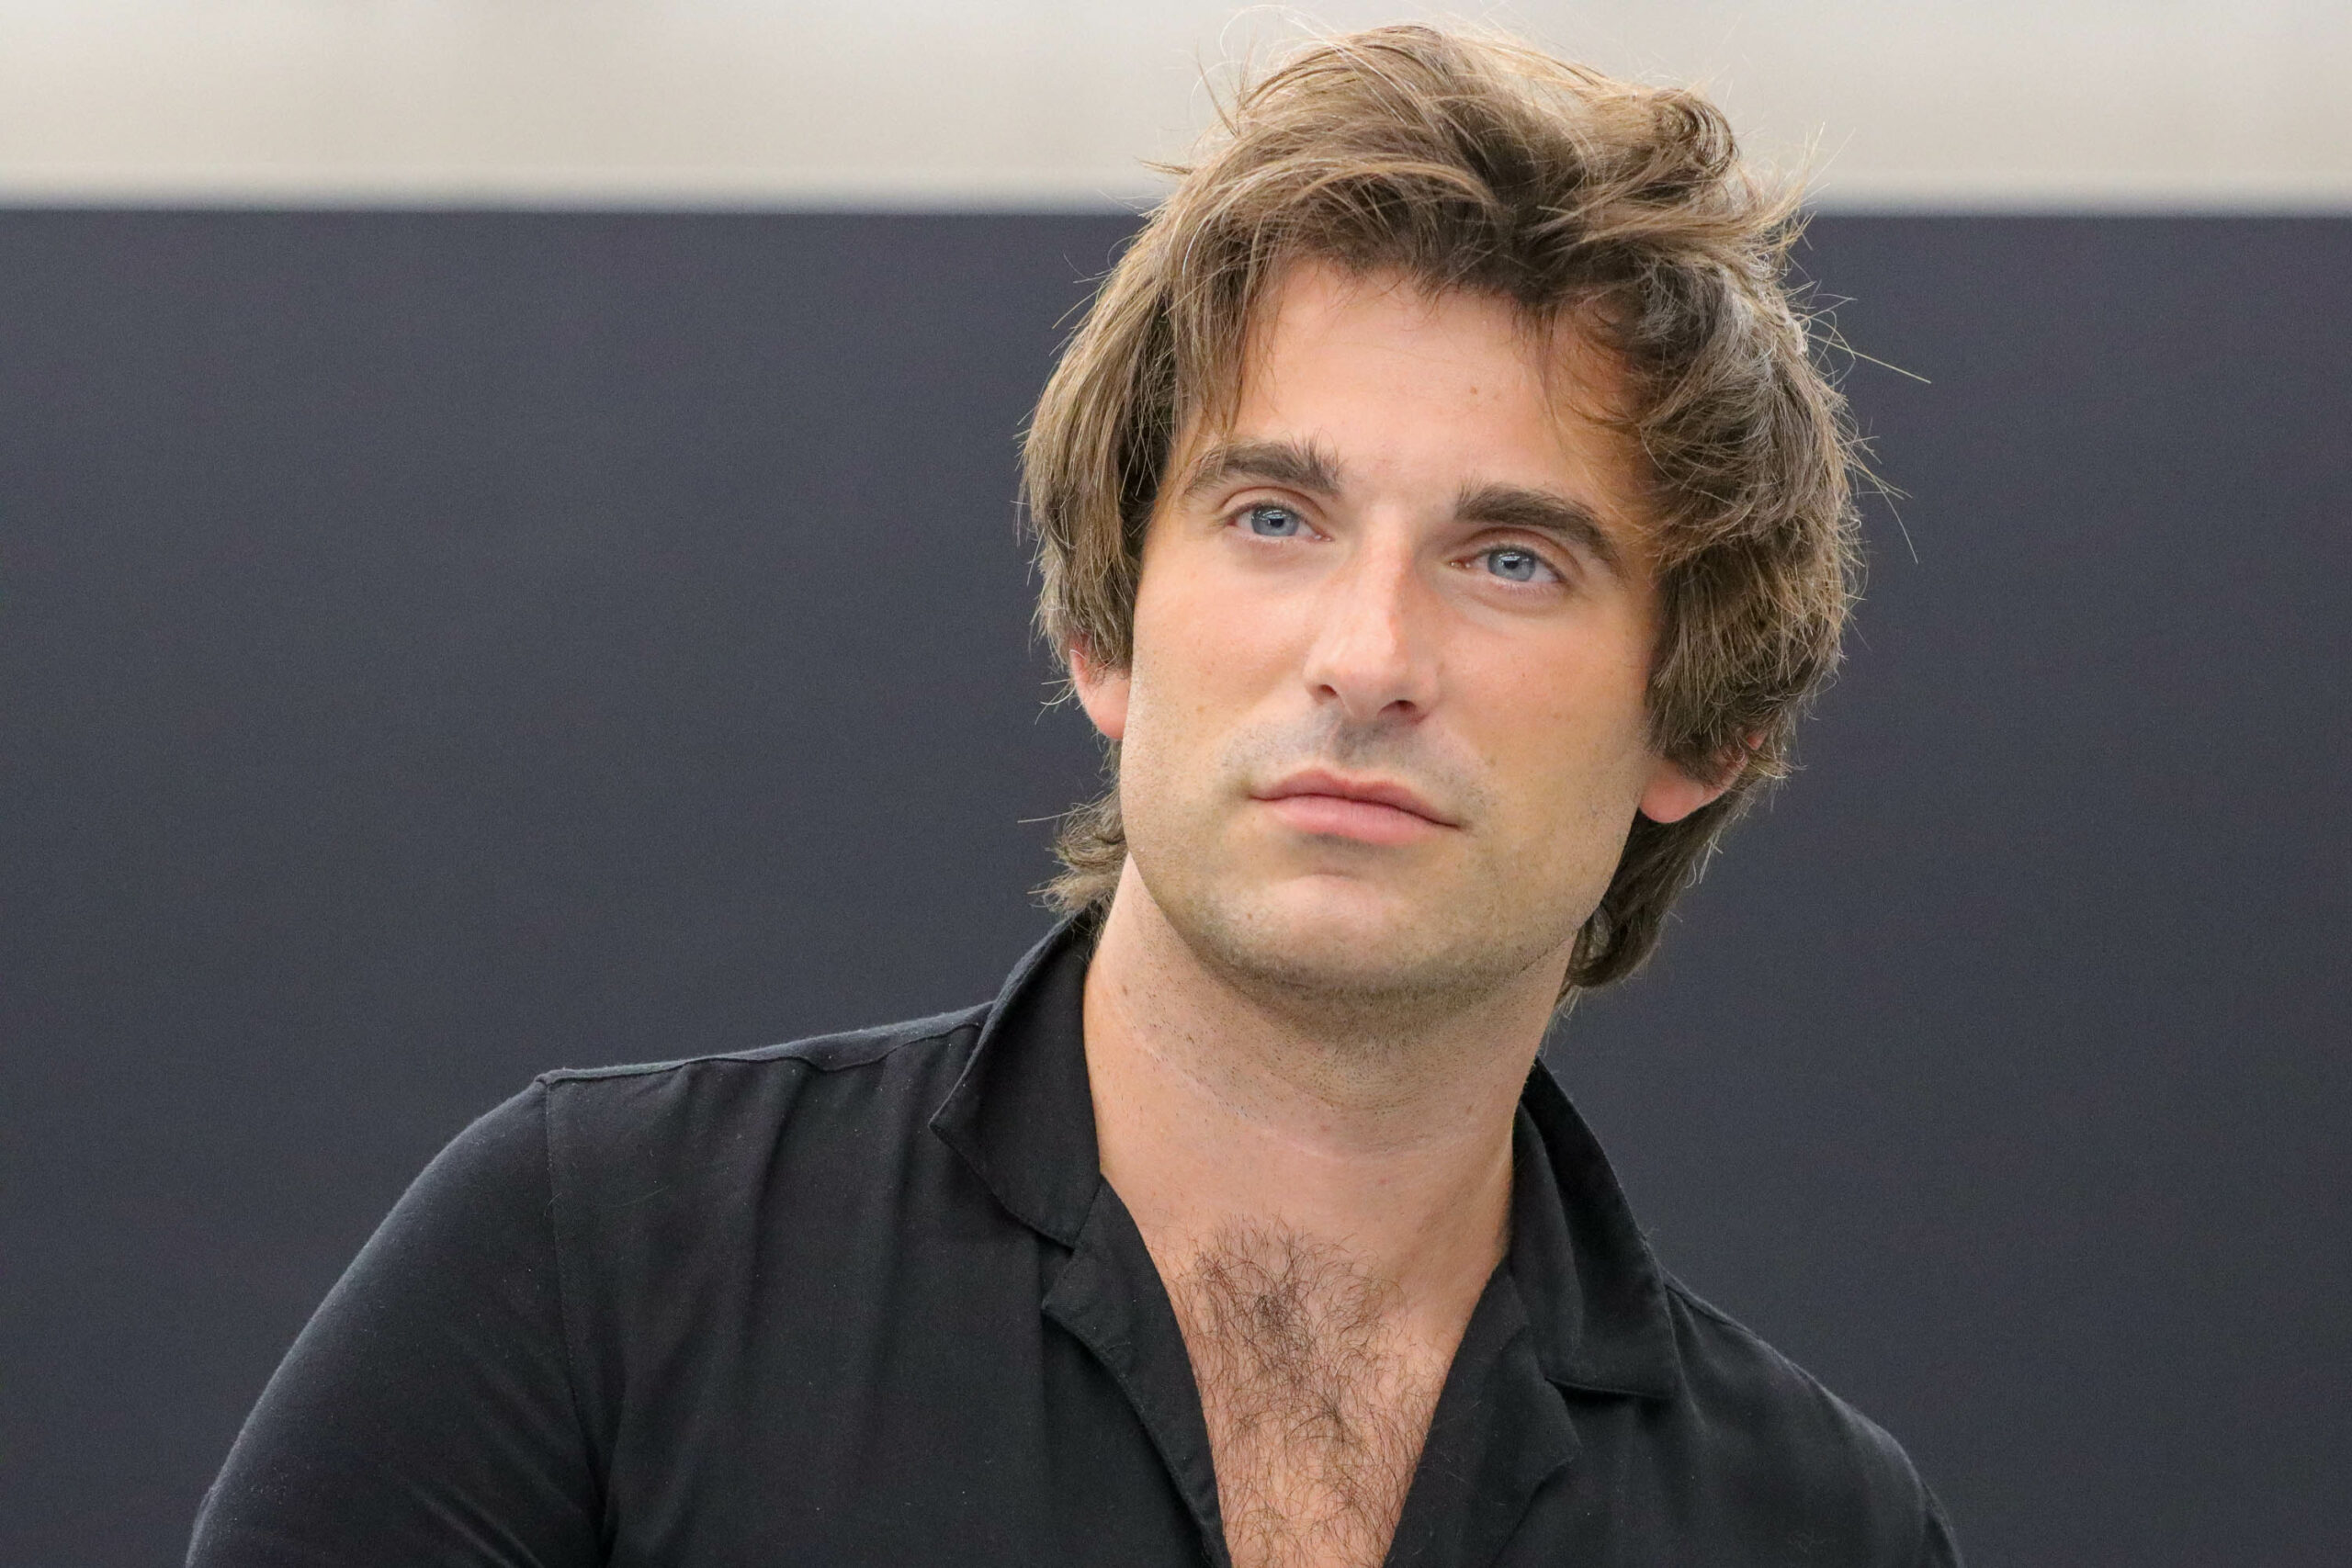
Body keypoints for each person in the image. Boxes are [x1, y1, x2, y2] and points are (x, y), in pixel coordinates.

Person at [190, 25, 1960, 1568]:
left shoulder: (1814, 1528)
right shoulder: (597, 1276)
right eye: (1274, 518)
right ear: (1104, 632)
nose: (1367, 655)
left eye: (1512, 558)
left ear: (1703, 726)